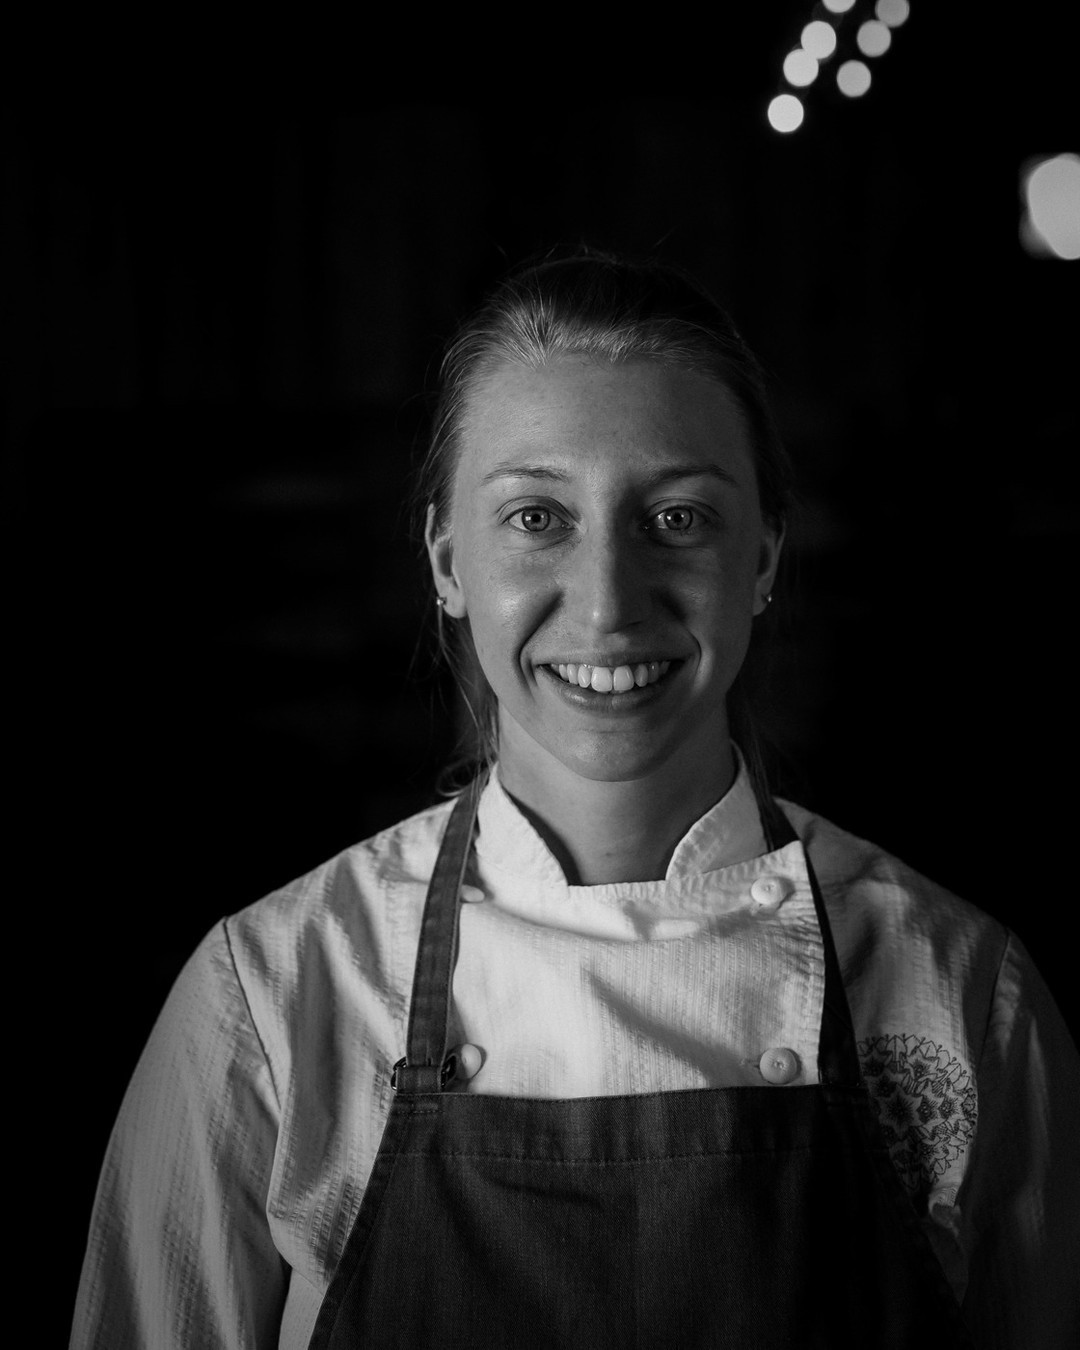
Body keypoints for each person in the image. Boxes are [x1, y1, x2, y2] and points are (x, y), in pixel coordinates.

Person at [71, 252, 1079, 1348]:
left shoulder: (963, 995)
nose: (606, 606)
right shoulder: (271, 998)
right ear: (447, 564)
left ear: (763, 559)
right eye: (536, 517)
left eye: (678, 517)